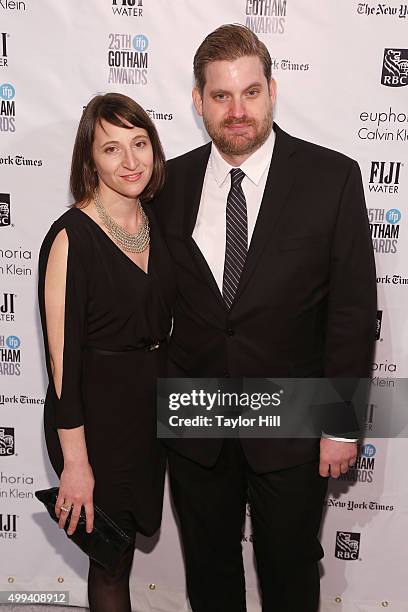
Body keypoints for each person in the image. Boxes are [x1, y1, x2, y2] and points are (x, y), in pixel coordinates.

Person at [154, 24, 377, 612]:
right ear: (198, 100)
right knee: (209, 573)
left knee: (289, 572)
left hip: (293, 425)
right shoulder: (167, 185)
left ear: (273, 91)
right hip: (197, 425)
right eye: (221, 96)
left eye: (250, 92)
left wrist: (341, 422)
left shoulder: (332, 178)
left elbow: (352, 312)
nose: (237, 111)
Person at [38, 92, 175, 612]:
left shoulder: (156, 223)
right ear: (88, 159)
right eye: (111, 148)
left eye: (139, 144)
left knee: (124, 554)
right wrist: (76, 463)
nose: (130, 161)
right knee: (110, 563)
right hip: (95, 423)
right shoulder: (71, 239)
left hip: (149, 415)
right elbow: (61, 367)